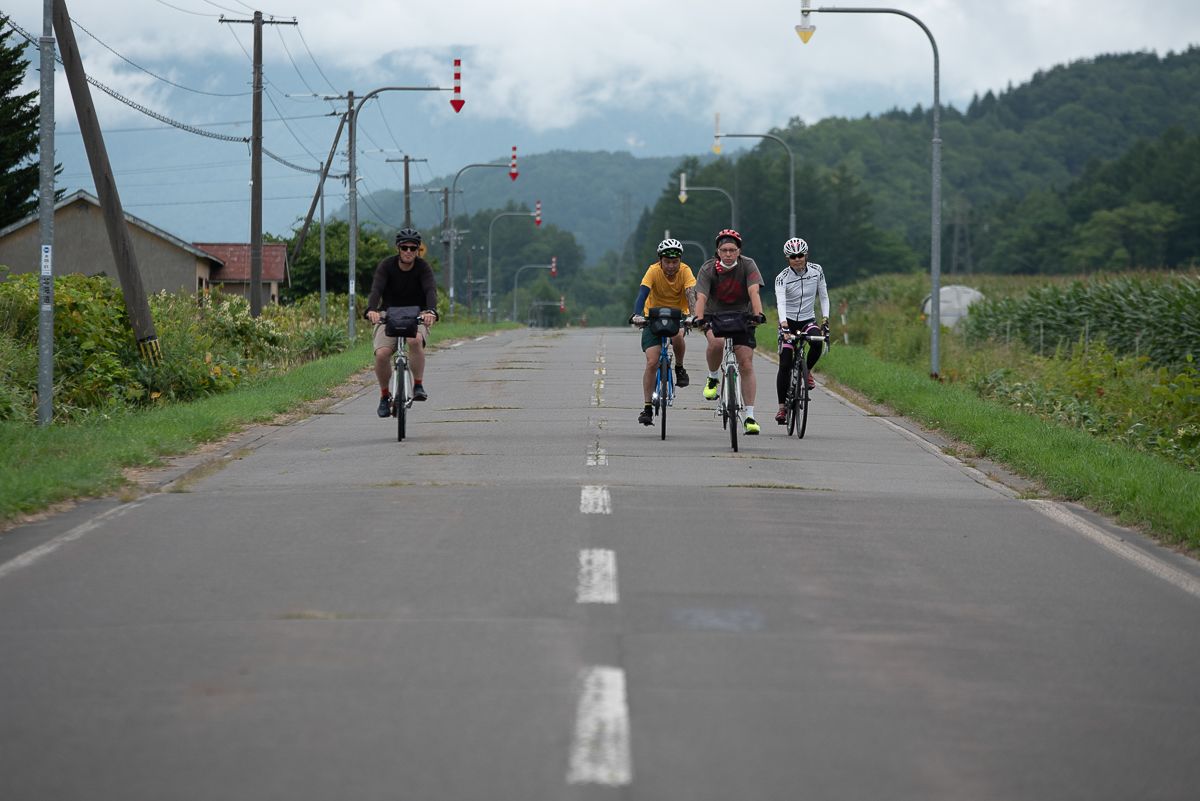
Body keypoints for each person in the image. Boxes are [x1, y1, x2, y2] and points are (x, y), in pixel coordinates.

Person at [692, 228, 767, 435]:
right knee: (716, 343)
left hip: (743, 315)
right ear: (717, 251)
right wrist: (698, 318)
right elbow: (701, 297)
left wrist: (758, 314)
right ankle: (713, 377)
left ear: (738, 251)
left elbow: (754, 291)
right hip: (714, 315)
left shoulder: (748, 265)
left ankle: (749, 416)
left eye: (732, 250)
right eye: (724, 250)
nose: (728, 254)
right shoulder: (708, 269)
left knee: (746, 362)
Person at [364, 228, 439, 417]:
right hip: (388, 314)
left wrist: (431, 311)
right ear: (398, 248)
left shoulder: (423, 268)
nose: (408, 251)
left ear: (418, 250)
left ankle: (418, 385)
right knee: (382, 354)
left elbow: (430, 290)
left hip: (417, 314)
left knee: (414, 341)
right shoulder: (386, 266)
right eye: (404, 247)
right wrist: (372, 310)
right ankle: (384, 396)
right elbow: (376, 289)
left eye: (413, 248)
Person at [629, 238, 698, 426]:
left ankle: (679, 368)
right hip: (653, 316)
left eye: (675, 262)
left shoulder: (685, 271)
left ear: (680, 261)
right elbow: (642, 293)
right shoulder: (653, 271)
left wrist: (694, 315)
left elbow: (691, 293)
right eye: (667, 261)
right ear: (660, 260)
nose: (671, 266)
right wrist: (636, 314)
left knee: (677, 337)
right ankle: (648, 407)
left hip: (678, 316)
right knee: (652, 361)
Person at [773, 237, 830, 424]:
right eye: (793, 256)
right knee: (785, 363)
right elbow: (780, 302)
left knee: (816, 341)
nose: (797, 259)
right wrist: (783, 325)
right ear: (787, 258)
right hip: (788, 321)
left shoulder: (817, 271)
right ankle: (782, 408)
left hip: (807, 320)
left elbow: (823, 295)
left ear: (806, 255)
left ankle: (808, 372)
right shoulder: (782, 278)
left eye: (800, 255)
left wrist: (825, 319)